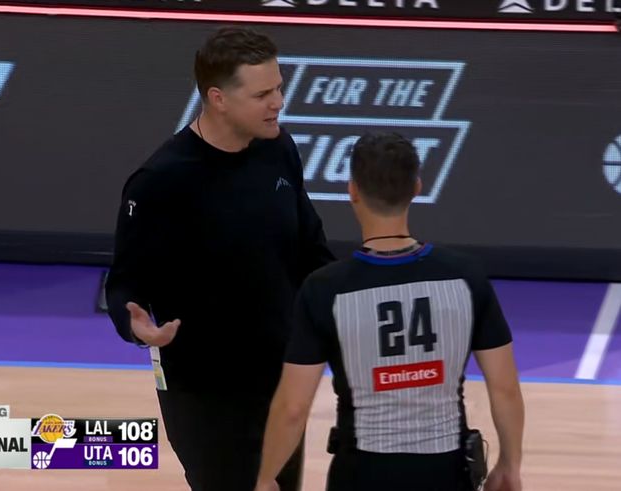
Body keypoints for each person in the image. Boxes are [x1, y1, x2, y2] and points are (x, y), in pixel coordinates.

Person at [105, 26, 334, 491]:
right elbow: (125, 283)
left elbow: (310, 247)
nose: (278, 103)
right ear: (218, 98)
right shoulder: (161, 181)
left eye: (279, 88)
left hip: (280, 376)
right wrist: (136, 325)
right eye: (263, 94)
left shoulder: (279, 150)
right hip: (202, 389)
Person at [254, 133, 525, 491]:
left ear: (352, 190)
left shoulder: (325, 289)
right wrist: (509, 464)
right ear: (416, 187)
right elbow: (504, 388)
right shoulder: (465, 276)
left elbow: (293, 406)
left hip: (361, 473)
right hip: (446, 472)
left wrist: (265, 479)